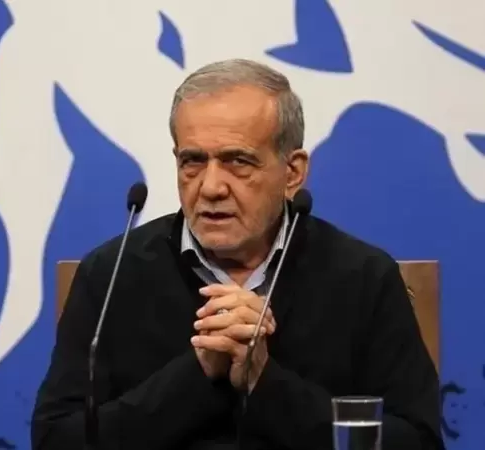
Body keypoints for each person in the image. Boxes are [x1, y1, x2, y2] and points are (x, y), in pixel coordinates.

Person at [30, 59, 444, 449]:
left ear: (293, 172)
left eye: (238, 161)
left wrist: (265, 380)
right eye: (193, 162)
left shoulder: (362, 277)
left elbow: (417, 440)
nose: (211, 187)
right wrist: (198, 371)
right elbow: (56, 439)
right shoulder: (112, 274)